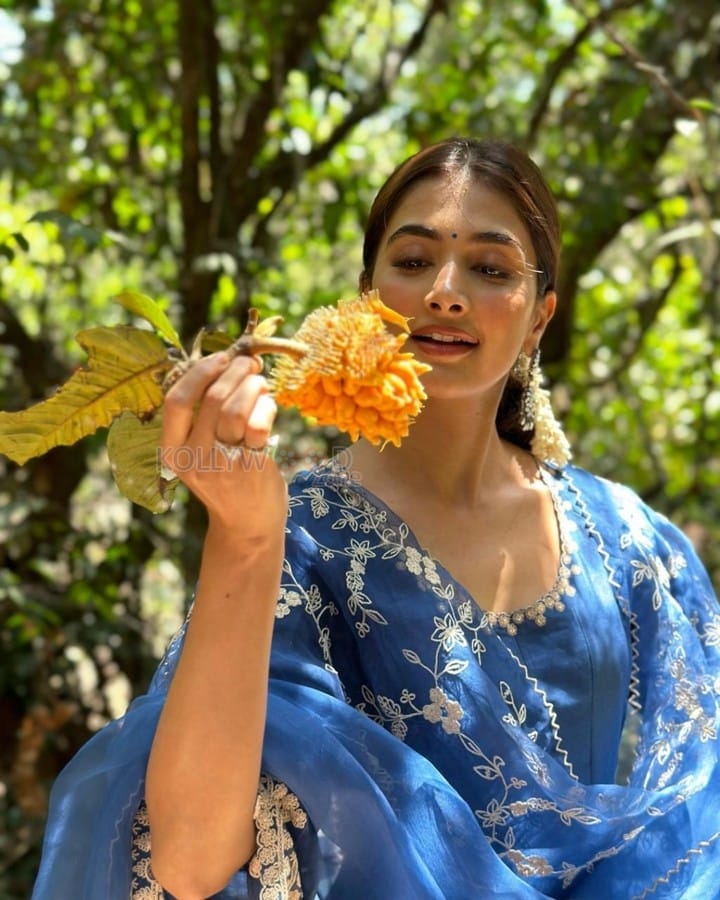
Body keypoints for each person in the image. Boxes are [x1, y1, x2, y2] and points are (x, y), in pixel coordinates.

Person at [32, 138, 720, 900]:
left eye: (490, 269)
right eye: (414, 261)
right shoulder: (301, 535)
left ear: (539, 317)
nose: (446, 292)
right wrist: (246, 537)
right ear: (367, 295)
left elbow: (701, 808)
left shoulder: (625, 537)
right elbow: (190, 862)